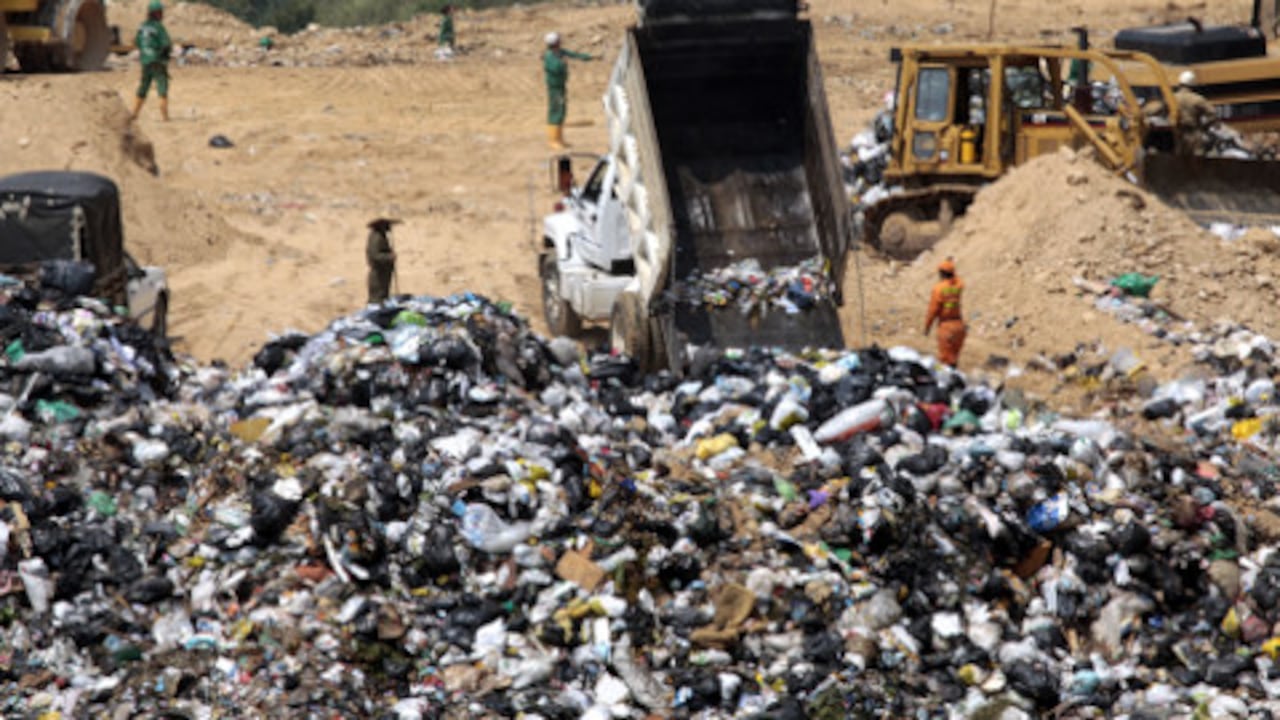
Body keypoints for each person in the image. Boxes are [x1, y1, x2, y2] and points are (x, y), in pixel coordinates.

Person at [543, 32, 593, 150]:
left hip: (561, 86)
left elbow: (572, 54)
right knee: (556, 112)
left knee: (562, 111)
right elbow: (555, 68)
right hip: (554, 87)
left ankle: (559, 138)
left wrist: (586, 57)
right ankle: (553, 140)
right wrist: (563, 63)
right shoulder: (549, 56)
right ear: (555, 43)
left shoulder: (559, 52)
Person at [131, 0, 172, 122]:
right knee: (162, 86)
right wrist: (164, 55)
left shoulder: (142, 26)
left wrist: (145, 52)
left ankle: (135, 113)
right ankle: (165, 116)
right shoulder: (158, 27)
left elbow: (137, 42)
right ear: (157, 13)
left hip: (145, 61)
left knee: (144, 86)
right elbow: (166, 44)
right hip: (157, 60)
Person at [923, 257, 966, 368]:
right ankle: (954, 375)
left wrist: (927, 327)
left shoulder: (938, 288)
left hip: (946, 327)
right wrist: (951, 267)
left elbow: (933, 310)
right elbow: (958, 279)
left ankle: (945, 377)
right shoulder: (958, 285)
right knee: (954, 358)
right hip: (959, 326)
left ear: (941, 273)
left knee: (945, 360)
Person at [1173, 70, 1218, 155]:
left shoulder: (1172, 98)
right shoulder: (1197, 99)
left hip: (1177, 135)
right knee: (1197, 159)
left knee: (1180, 160)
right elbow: (1213, 114)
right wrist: (1204, 126)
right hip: (1194, 134)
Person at [366, 218, 399, 304]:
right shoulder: (376, 238)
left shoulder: (381, 236)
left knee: (384, 296)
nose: (389, 227)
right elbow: (375, 256)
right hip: (378, 274)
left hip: (383, 273)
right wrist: (389, 257)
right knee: (377, 299)